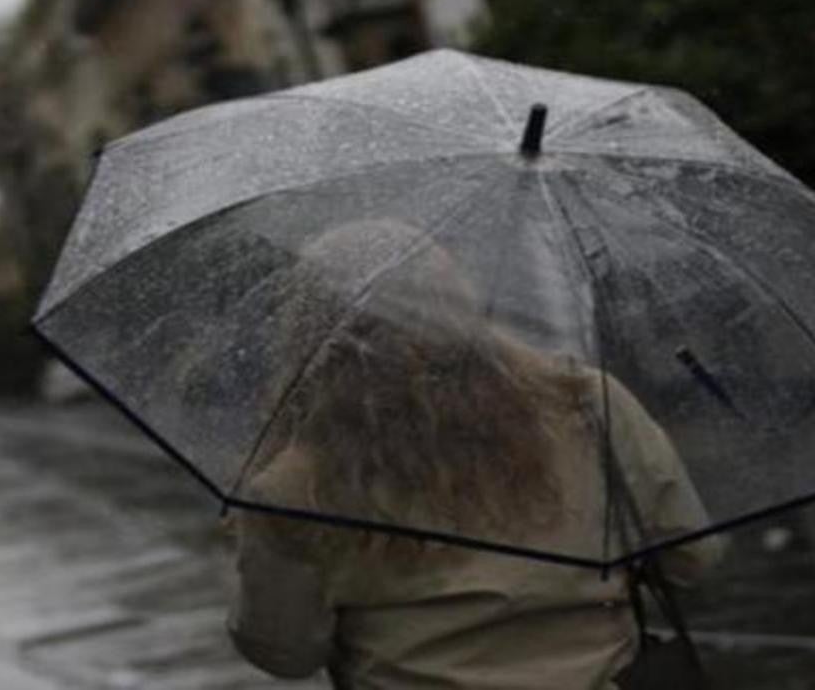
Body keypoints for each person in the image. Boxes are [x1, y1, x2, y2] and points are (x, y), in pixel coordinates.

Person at [224, 240, 724, 689]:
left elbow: (285, 653)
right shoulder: (588, 406)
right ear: (459, 302)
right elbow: (691, 556)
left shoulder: (292, 486)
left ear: (310, 330)